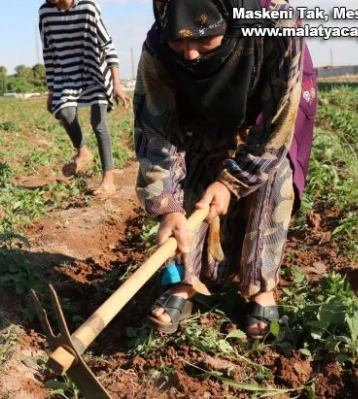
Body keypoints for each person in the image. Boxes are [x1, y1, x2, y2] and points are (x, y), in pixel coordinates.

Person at [134, 0, 317, 338]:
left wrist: (231, 183)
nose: (189, 54)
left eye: (203, 39)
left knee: (273, 176)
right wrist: (167, 205)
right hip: (200, 113)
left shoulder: (276, 24)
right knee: (195, 171)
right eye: (179, 40)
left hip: (270, 106)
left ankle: (261, 286)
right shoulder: (158, 48)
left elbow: (275, 127)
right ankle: (183, 282)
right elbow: (155, 131)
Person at [39, 0, 132, 197]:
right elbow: (48, 53)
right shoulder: (45, 13)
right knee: (65, 112)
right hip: (66, 76)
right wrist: (52, 91)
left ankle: (108, 179)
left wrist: (116, 84)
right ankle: (82, 151)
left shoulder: (88, 8)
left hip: (95, 74)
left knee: (98, 123)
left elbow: (108, 46)